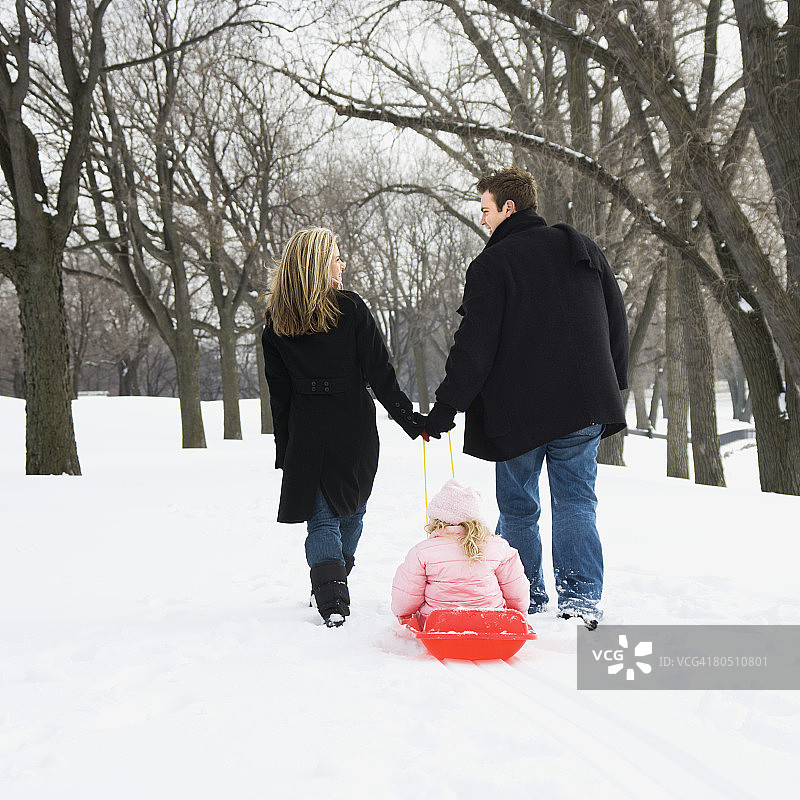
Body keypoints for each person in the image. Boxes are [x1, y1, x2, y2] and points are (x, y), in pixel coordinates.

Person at [423, 167, 629, 629]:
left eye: (485, 211)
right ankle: (579, 600)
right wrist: (611, 382)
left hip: (518, 414)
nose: (483, 221)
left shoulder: (493, 265)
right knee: (577, 501)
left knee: (518, 507)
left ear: (508, 208)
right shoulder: (579, 247)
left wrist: (443, 411)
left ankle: (525, 598)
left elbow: (473, 349)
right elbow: (616, 318)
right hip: (582, 405)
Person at [262, 228, 424, 627]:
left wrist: (287, 451)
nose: (342, 263)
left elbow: (279, 399)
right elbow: (381, 374)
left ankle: (330, 586)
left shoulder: (276, 322)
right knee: (347, 513)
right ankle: (333, 594)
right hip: (352, 425)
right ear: (319, 264)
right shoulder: (349, 308)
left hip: (308, 428)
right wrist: (411, 420)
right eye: (336, 256)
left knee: (334, 516)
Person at [391, 479, 529, 624]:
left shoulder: (422, 551)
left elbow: (406, 597)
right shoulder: (498, 547)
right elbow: (516, 588)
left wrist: (405, 615)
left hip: (438, 624)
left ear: (437, 519)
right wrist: (518, 614)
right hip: (490, 622)